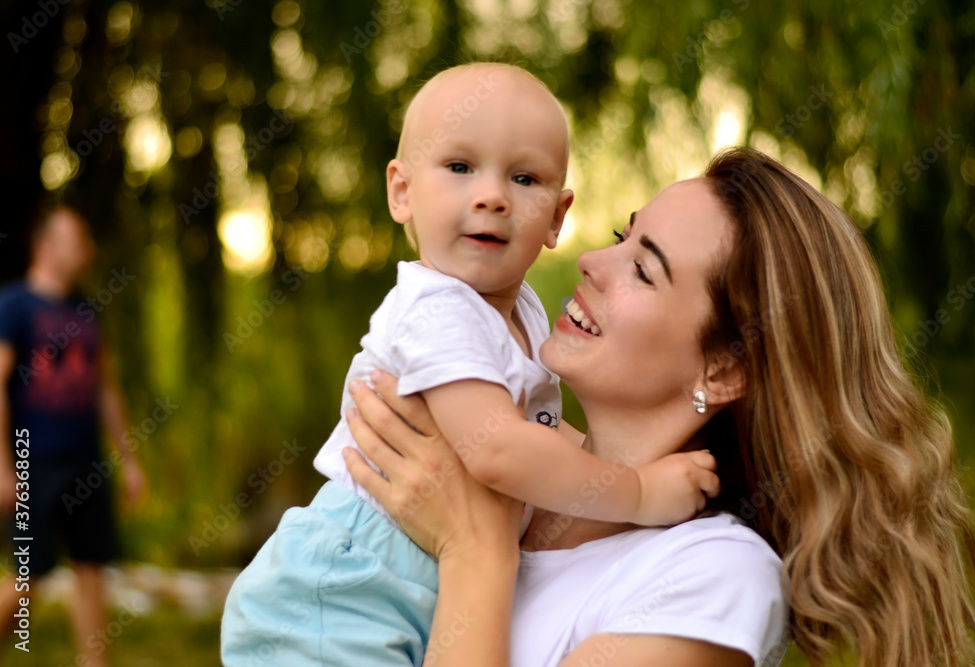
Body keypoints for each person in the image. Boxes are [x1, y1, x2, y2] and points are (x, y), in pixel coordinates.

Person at [343, 147, 975, 667]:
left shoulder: (714, 576)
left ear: (725, 367)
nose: (594, 261)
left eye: (645, 269)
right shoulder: (503, 460)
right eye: (624, 236)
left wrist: (474, 551)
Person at [222, 62, 718, 665]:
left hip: (402, 584)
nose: (491, 195)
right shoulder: (437, 310)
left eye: (524, 177)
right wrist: (637, 492)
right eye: (459, 167)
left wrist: (595, 456)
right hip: (340, 589)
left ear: (558, 217)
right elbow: (499, 450)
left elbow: (527, 429)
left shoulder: (525, 312)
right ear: (401, 191)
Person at [0, 205, 147, 666]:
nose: (86, 248)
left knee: (91, 571)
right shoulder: (14, 305)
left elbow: (105, 387)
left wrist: (128, 459)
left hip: (86, 460)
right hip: (31, 462)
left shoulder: (86, 310)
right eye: (76, 239)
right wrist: (3, 467)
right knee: (27, 577)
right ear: (45, 246)